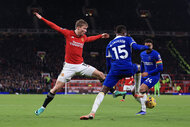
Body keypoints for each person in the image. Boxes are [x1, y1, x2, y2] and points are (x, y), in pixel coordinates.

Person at [33, 12, 110, 116]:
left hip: (81, 65)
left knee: (100, 74)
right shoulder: (68, 33)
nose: (85, 31)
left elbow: (90, 38)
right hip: (68, 67)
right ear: (78, 27)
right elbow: (54, 26)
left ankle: (113, 92)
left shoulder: (83, 37)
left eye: (86, 29)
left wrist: (101, 36)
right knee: (56, 88)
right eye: (84, 29)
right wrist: (41, 18)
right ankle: (42, 108)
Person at [80, 25, 150, 120]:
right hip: (128, 67)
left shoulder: (110, 44)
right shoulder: (128, 39)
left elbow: (108, 62)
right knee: (138, 68)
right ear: (124, 33)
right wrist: (146, 47)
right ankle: (137, 91)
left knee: (103, 90)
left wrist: (110, 74)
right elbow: (137, 47)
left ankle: (92, 113)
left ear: (116, 33)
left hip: (115, 70)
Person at [131, 39, 163, 115]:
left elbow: (160, 68)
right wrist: (140, 73)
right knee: (133, 91)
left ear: (152, 46)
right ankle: (145, 103)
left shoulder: (156, 54)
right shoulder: (142, 54)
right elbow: (142, 64)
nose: (147, 47)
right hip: (145, 75)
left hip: (154, 76)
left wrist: (148, 73)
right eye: (146, 46)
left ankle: (143, 109)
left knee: (141, 89)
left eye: (149, 46)